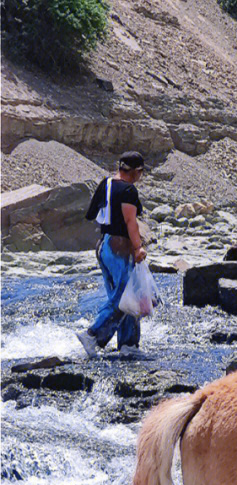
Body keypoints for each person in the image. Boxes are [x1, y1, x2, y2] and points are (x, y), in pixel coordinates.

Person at [78, 150, 148, 357]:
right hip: (120, 246)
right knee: (126, 296)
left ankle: (128, 346)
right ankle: (93, 335)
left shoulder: (105, 184)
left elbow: (91, 214)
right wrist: (138, 247)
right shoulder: (128, 190)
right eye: (141, 172)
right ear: (136, 172)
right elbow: (130, 222)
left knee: (121, 295)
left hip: (103, 246)